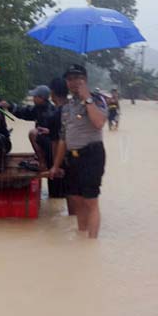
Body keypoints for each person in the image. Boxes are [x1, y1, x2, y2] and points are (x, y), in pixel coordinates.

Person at [49, 65, 107, 238]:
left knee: (91, 201)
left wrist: (87, 98)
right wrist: (55, 165)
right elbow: (63, 139)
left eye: (78, 78)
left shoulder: (96, 99)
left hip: (92, 155)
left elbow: (99, 123)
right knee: (76, 200)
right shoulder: (67, 107)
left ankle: (92, 241)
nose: (74, 82)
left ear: (86, 80)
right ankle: (82, 236)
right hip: (72, 158)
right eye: (70, 79)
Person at [0, 85, 56, 171]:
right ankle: (40, 159)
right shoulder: (39, 108)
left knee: (33, 133)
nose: (33, 98)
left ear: (42, 98)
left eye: (35, 96)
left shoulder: (49, 112)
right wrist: (9, 106)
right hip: (46, 142)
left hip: (51, 146)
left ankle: (43, 163)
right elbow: (24, 112)